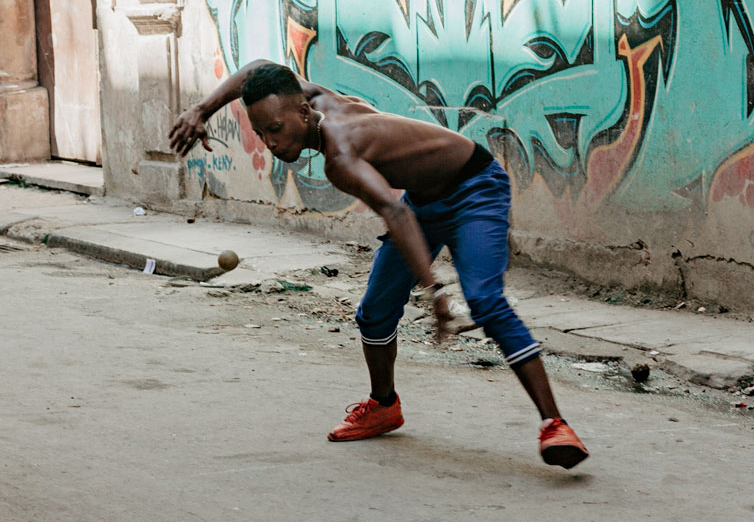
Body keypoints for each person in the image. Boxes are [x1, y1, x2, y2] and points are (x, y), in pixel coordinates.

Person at [168, 62, 589, 467]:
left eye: (275, 130)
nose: (271, 144)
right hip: (423, 200)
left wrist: (434, 289)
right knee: (374, 312)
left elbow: (394, 212)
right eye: (261, 134)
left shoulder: (340, 156)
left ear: (302, 111)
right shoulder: (310, 97)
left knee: (485, 300)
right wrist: (201, 110)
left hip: (474, 188)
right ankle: (384, 407)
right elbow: (257, 69)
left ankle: (556, 424)